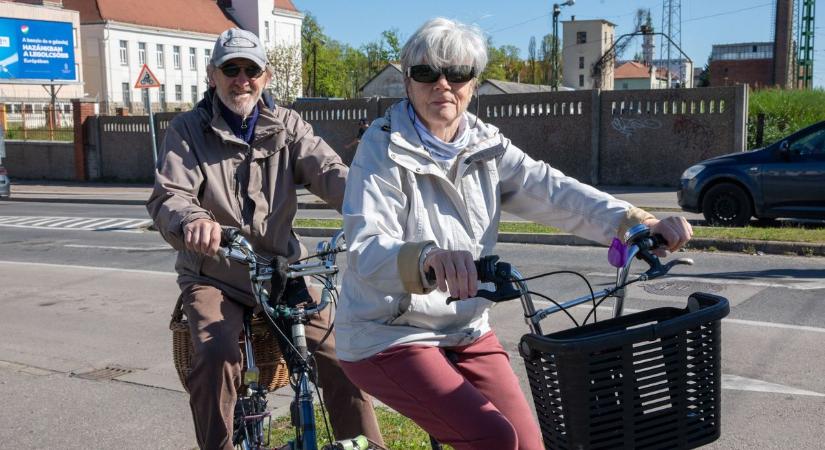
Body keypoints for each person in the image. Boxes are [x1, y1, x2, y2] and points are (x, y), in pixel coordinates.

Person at [335, 17, 693, 450]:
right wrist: (428, 258)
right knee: (494, 437)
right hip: (388, 331)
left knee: (528, 442)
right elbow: (366, 247)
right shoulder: (382, 147)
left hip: (465, 326)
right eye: (426, 72)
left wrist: (634, 222)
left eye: (457, 72)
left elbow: (553, 191)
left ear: (474, 83)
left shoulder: (485, 144)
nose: (443, 84)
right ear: (408, 82)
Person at [146, 28, 383, 450]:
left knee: (340, 350)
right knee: (216, 354)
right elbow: (170, 195)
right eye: (231, 69)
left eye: (251, 70)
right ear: (212, 75)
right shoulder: (187, 130)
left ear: (266, 77)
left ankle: (367, 446)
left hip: (282, 269)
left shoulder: (288, 125)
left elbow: (329, 171)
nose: (242, 80)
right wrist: (193, 220)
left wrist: (373, 203)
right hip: (215, 273)